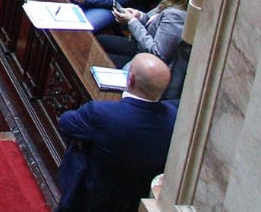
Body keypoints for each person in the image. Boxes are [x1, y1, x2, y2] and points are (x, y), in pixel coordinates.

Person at [54, 54, 177, 212]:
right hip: (136, 201)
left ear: (130, 79)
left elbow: (66, 122)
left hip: (90, 199)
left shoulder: (101, 113)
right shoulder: (174, 118)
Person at [98, 0, 194, 66]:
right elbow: (152, 21)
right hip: (140, 45)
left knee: (101, 60)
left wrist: (132, 22)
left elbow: (158, 53)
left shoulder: (176, 16)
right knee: (99, 41)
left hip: (148, 60)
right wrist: (138, 16)